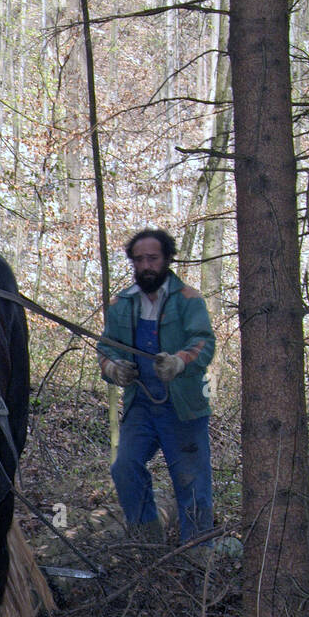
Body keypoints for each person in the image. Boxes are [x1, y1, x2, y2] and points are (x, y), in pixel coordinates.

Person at [96, 228, 215, 554]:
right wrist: (114, 369)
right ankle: (148, 548)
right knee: (124, 468)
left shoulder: (188, 300)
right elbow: (105, 349)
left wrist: (179, 362)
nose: (146, 265)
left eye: (153, 258)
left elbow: (204, 343)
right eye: (139, 259)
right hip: (142, 405)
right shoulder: (122, 304)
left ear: (167, 259)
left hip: (185, 407)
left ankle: (198, 555)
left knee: (192, 482)